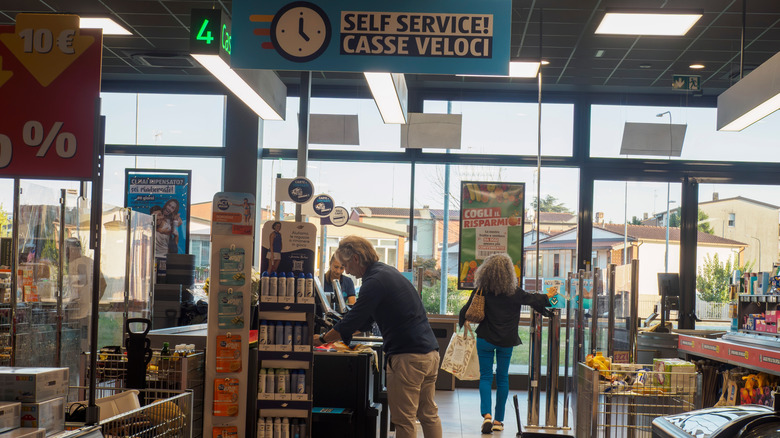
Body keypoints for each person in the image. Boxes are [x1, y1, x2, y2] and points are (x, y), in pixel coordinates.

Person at [313, 236, 442, 438]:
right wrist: (339, 333)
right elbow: (365, 321)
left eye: (346, 265)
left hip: (406, 357)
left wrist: (322, 340)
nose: (346, 271)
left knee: (404, 420)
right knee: (428, 414)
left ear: (356, 258)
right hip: (429, 353)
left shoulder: (373, 281)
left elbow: (354, 320)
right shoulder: (387, 272)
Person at [458, 253, 553, 434]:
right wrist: (549, 296)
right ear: (509, 272)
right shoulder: (515, 292)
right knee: (502, 378)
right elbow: (533, 299)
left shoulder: (481, 290)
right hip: (506, 341)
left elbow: (465, 310)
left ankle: (486, 415)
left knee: (485, 377)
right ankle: (498, 421)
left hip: (485, 339)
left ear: (486, 271)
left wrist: (462, 322)